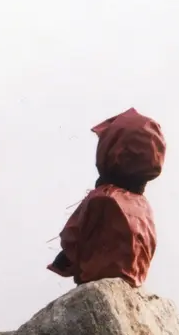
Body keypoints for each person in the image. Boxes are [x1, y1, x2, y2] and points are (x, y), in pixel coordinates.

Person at [48, 107, 164, 288]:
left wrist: (64, 259)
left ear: (111, 148)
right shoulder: (143, 205)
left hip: (98, 279)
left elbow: (72, 237)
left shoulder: (104, 197)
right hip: (133, 279)